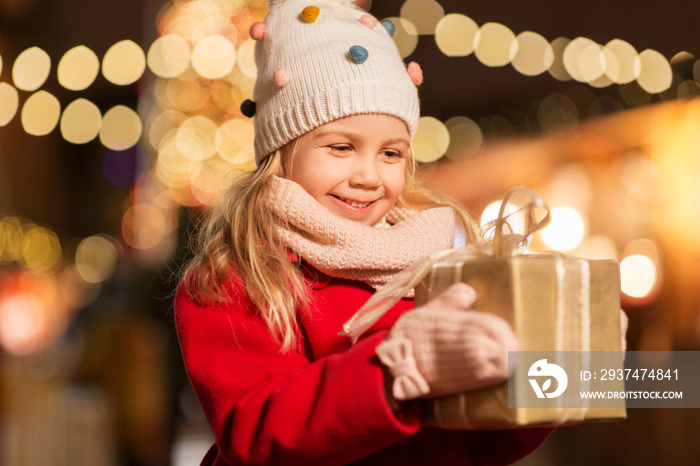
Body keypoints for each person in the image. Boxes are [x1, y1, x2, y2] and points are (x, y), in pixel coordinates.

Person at [174, 0, 554, 464]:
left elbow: (474, 442)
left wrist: (552, 362)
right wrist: (398, 367)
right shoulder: (237, 279)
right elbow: (257, 432)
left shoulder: (437, 267)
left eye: (391, 154)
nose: (369, 176)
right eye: (341, 147)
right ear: (281, 151)